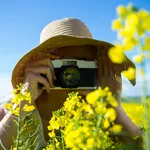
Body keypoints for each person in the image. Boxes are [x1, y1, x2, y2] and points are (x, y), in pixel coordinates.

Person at [0, 18, 142, 149]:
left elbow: (142, 146)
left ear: (96, 67)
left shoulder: (98, 114)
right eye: (64, 63)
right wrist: (23, 101)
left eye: (82, 62)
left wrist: (112, 105)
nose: (72, 73)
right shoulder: (13, 107)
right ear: (42, 64)